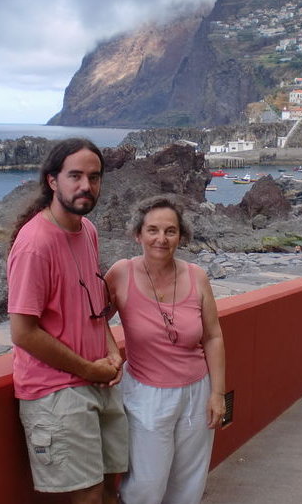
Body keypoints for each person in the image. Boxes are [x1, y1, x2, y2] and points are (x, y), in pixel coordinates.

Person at [7, 138, 129, 504]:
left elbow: (93, 308)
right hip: (57, 391)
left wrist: (112, 354)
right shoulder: (34, 244)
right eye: (74, 175)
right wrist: (90, 371)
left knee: (110, 488)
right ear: (52, 181)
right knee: (87, 497)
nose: (85, 186)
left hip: (98, 382)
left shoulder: (87, 231)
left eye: (94, 177)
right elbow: (23, 333)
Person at [105, 195, 226, 504]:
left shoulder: (197, 276)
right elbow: (93, 320)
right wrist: (112, 352)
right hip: (146, 394)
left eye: (170, 231)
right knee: (146, 484)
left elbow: (213, 336)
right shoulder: (121, 273)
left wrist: (217, 394)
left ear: (181, 236)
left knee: (188, 481)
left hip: (197, 391)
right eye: (153, 230)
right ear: (138, 234)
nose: (161, 238)